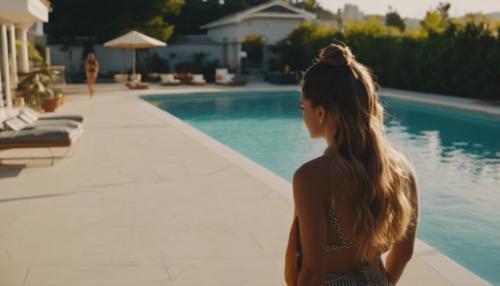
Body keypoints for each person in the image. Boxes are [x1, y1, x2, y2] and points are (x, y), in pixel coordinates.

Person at [285, 44, 419, 286]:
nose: (302, 114)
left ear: (321, 113)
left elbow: (312, 272)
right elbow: (404, 251)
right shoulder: (401, 168)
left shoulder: (311, 177)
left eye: (303, 107)